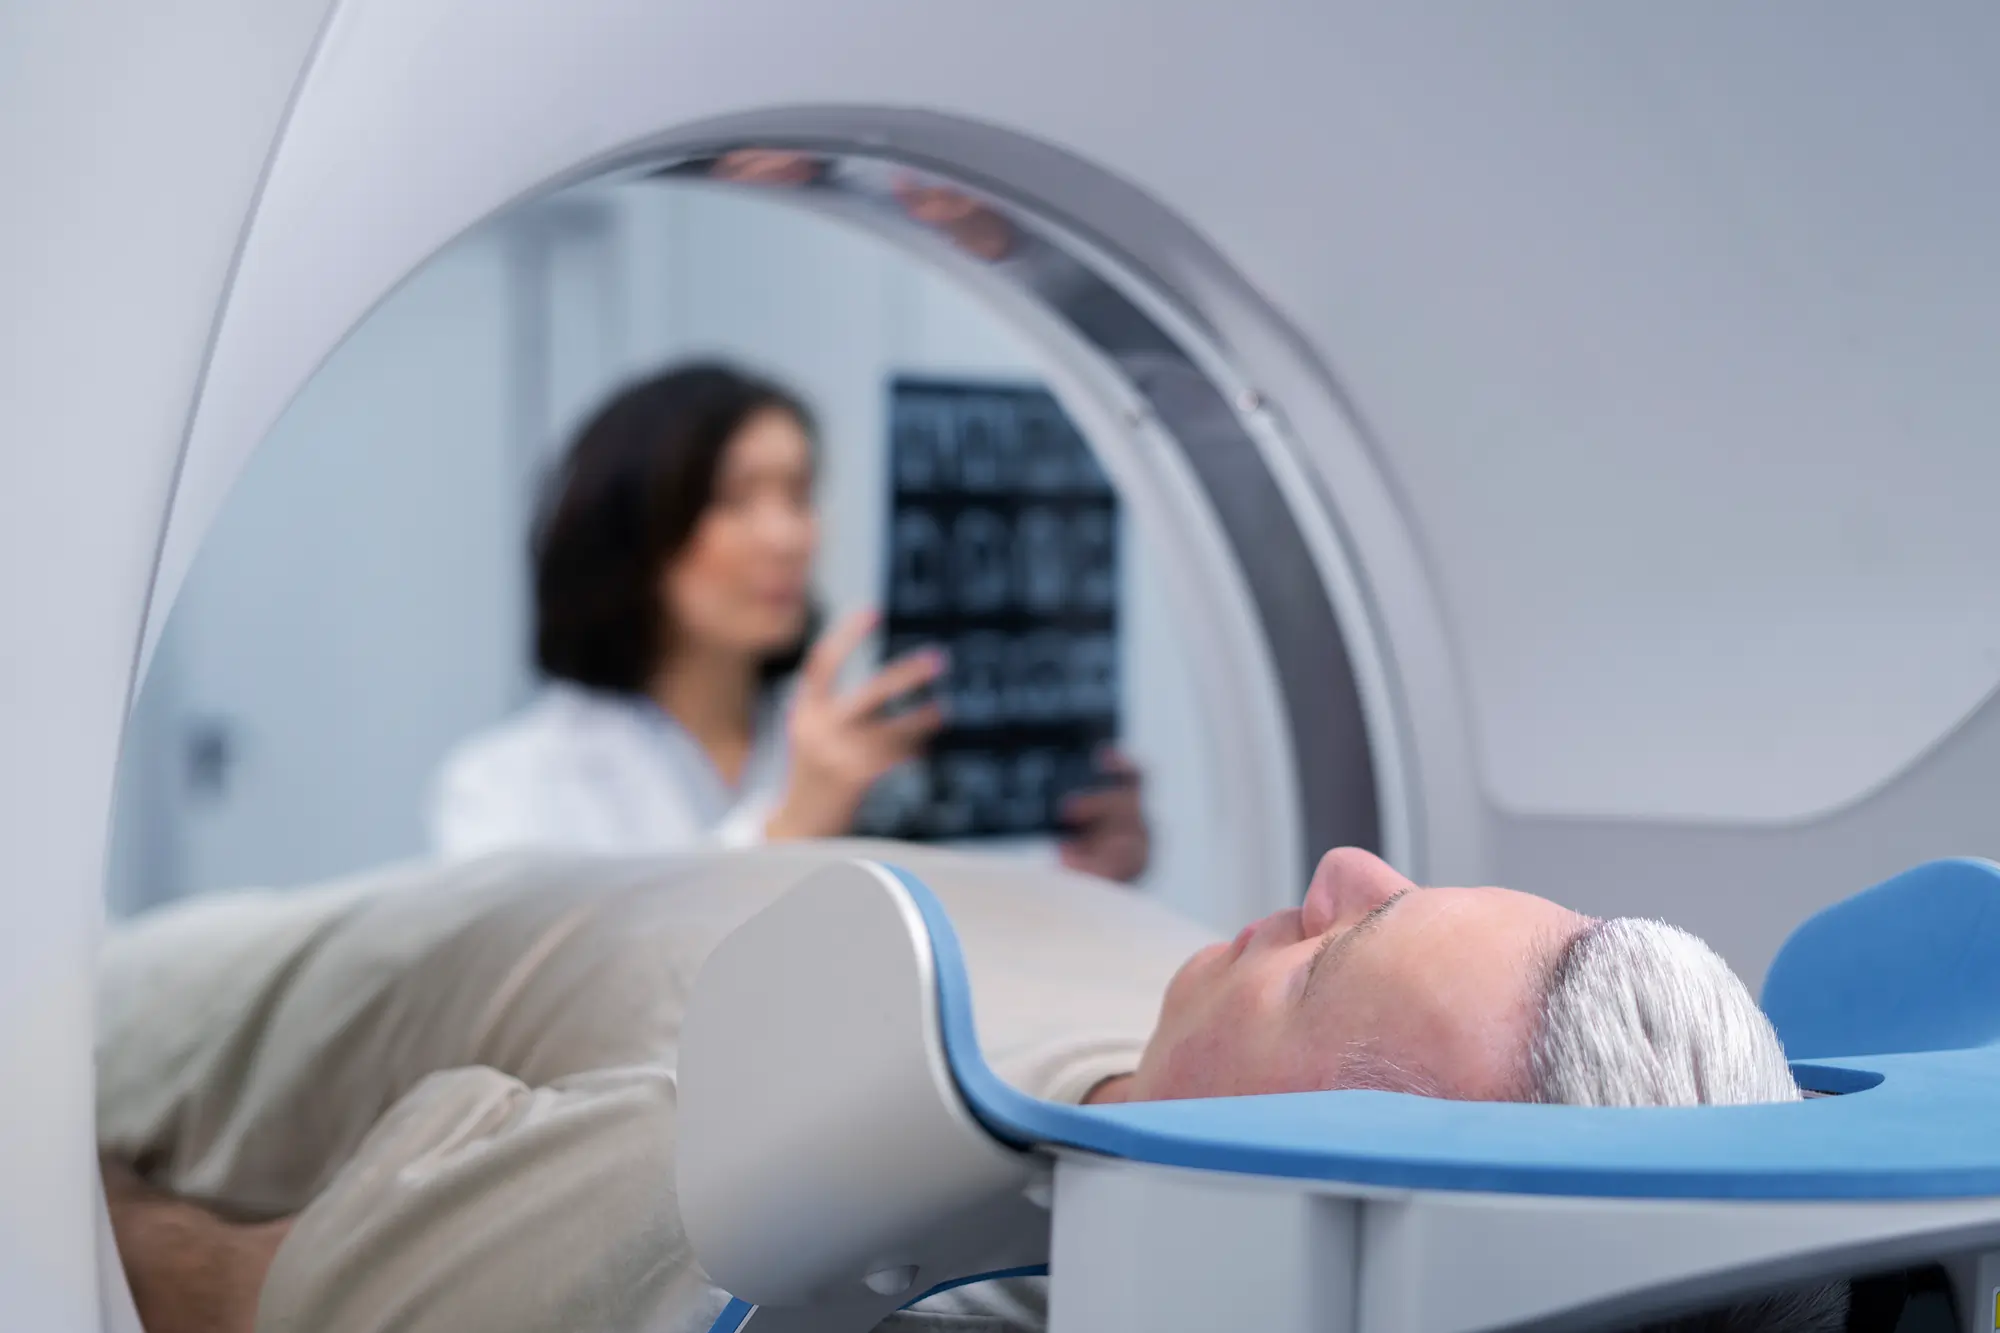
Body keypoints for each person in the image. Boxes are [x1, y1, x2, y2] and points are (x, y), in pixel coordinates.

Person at [96, 845, 1846, 1333]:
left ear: (1257, 1175)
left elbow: (168, 1280)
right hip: (266, 948)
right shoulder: (1184, 995)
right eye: (1392, 889)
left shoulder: (784, 1208)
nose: (1336, 862)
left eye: (1335, 958)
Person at [428, 362, 1149, 882]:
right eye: (735, 499)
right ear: (629, 532)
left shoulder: (867, 759)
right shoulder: (505, 786)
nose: (788, 536)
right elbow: (562, 1007)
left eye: (800, 493)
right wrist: (788, 829)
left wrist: (1082, 874)